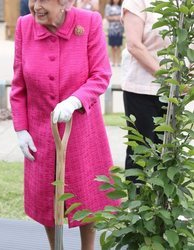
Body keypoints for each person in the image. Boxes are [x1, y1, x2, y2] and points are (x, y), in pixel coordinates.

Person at [10, 0, 120, 249]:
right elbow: (18, 84)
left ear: (65, 3)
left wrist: (74, 101)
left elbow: (101, 74)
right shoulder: (24, 26)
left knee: (87, 193)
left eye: (43, 0)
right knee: (47, 198)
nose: (35, 6)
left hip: (81, 127)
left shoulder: (89, 22)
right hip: (40, 129)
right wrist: (21, 128)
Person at [121, 0, 169, 183]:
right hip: (142, 90)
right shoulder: (137, 1)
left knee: (170, 153)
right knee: (140, 154)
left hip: (176, 93)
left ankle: (166, 207)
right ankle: (139, 208)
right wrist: (167, 79)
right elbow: (134, 45)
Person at [105, 0, 123, 67]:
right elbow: (107, 17)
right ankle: (113, 61)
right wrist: (116, 18)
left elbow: (122, 16)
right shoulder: (108, 6)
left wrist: (115, 18)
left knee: (118, 46)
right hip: (111, 29)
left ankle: (118, 61)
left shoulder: (121, 6)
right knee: (112, 46)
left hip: (119, 30)